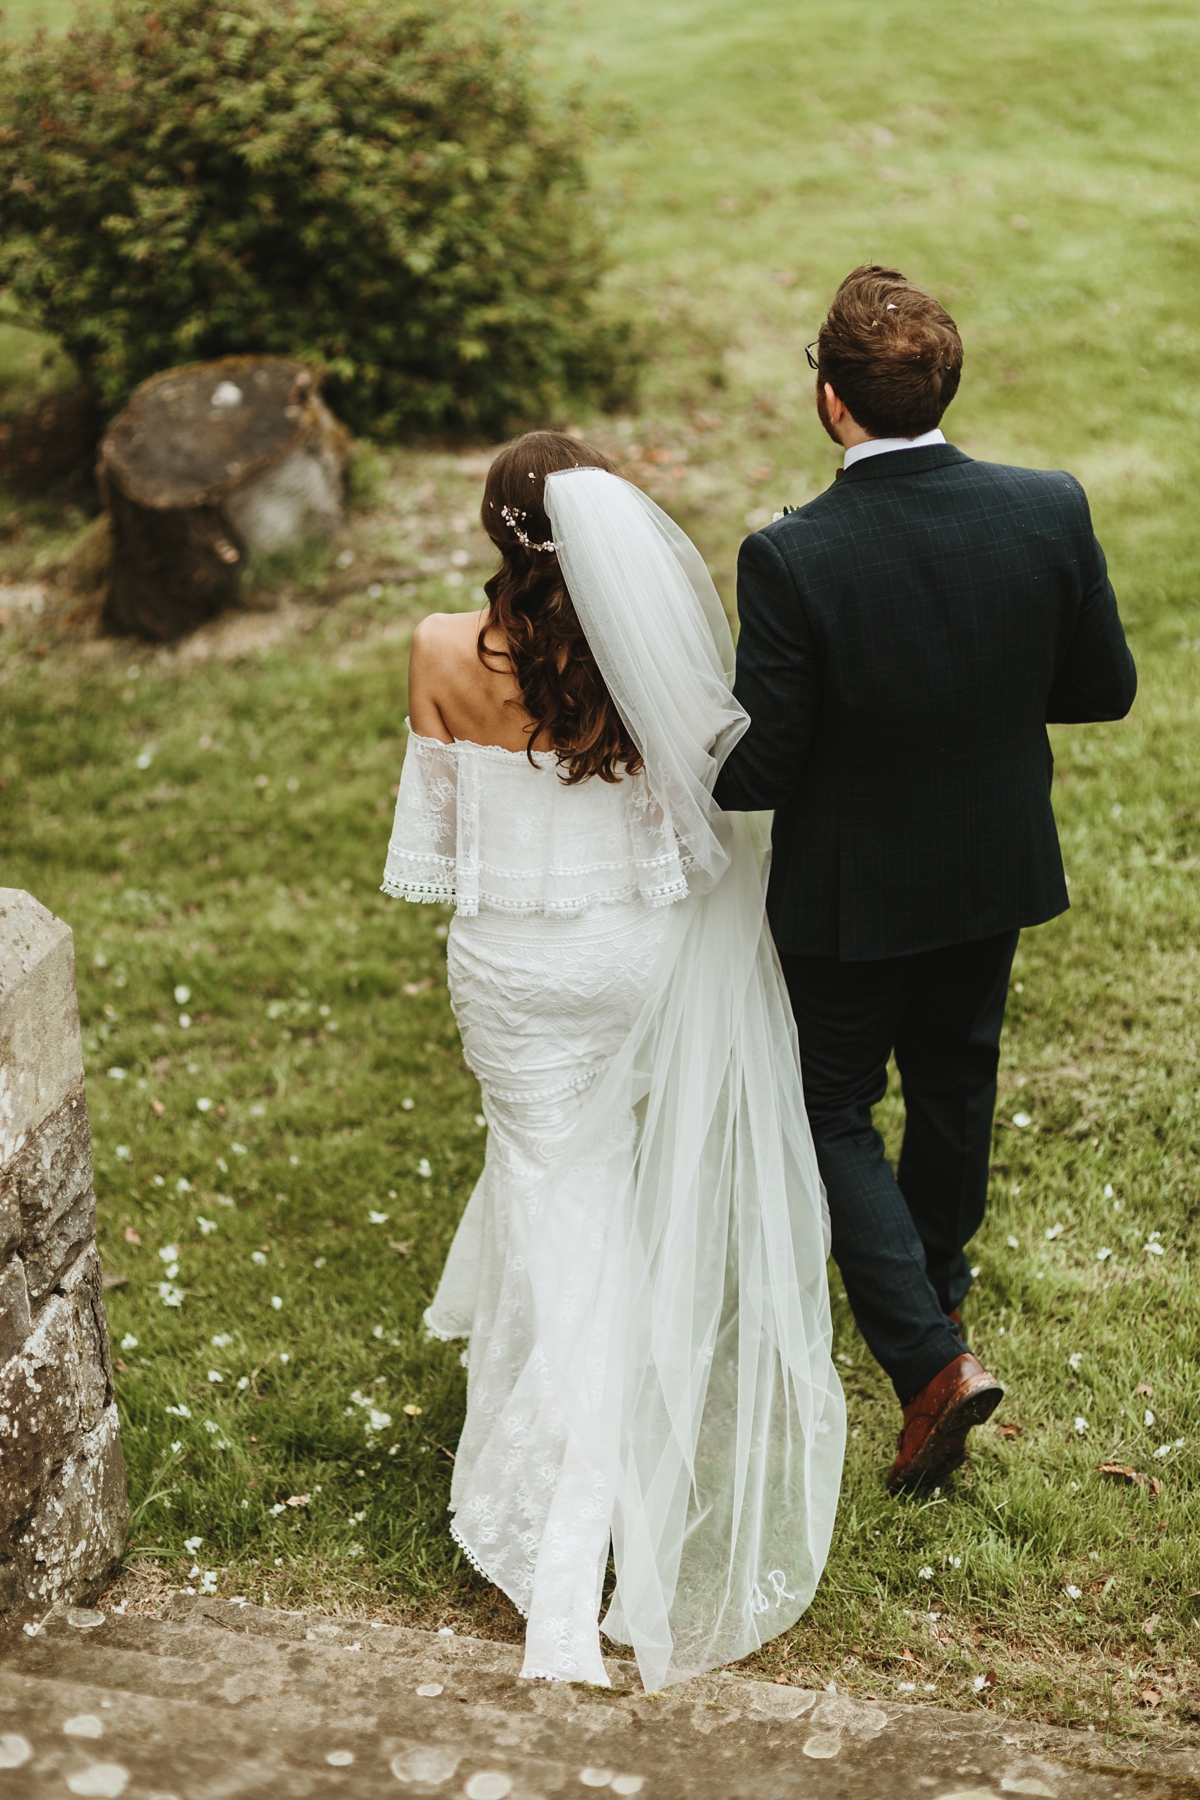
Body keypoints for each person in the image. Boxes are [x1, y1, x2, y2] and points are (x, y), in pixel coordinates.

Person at [382, 433, 844, 1692]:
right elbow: (699, 825)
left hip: (509, 977)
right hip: (626, 970)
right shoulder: (641, 666)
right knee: (585, 1206)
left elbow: (436, 849)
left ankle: (563, 1572)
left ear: (496, 533)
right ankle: (567, 1479)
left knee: (555, 1211)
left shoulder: (434, 652)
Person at [713, 265, 1137, 1492]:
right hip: (993, 865)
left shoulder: (793, 555)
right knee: (957, 1081)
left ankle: (929, 1360)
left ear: (833, 403)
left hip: (852, 898)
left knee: (827, 1105)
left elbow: (763, 770)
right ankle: (938, 1290)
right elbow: (1101, 687)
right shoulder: (1046, 507)